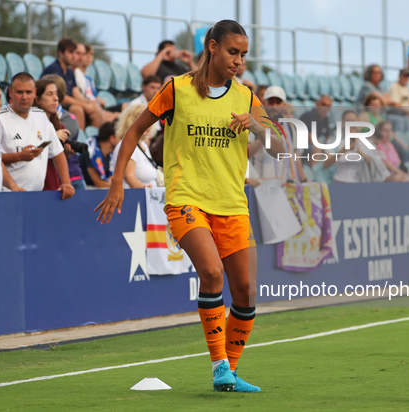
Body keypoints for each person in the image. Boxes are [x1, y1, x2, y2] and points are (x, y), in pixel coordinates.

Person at [96, 19, 284, 393]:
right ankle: (219, 367)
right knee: (212, 274)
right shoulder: (177, 90)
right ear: (212, 47)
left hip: (232, 203)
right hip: (186, 199)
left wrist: (260, 126)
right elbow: (134, 130)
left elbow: (281, 146)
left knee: (245, 291)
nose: (239, 61)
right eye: (233, 52)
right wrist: (116, 181)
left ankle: (229, 370)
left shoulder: (246, 97)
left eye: (244, 55)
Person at [0, 72, 75, 199]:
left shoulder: (41, 116)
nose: (24, 97)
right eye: (19, 92)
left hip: (36, 197)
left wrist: (66, 182)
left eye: (28, 92)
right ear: (10, 93)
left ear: (34, 93)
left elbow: (58, 153)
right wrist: (19, 157)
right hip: (7, 196)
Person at [248, 86, 306, 182]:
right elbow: (247, 153)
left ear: (283, 104)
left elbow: (295, 156)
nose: (274, 106)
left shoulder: (290, 128)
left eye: (278, 102)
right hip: (260, 185)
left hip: (283, 184)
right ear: (265, 103)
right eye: (271, 102)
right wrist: (265, 134)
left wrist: (304, 179)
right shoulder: (254, 123)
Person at [41, 74, 87, 191]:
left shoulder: (67, 120)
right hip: (46, 180)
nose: (55, 98)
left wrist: (64, 152)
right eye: (49, 94)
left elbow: (59, 148)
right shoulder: (34, 122)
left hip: (69, 176)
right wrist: (52, 138)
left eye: (56, 94)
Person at [322, 110, 390, 184]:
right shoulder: (333, 141)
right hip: (339, 184)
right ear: (342, 123)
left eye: (353, 121)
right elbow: (326, 164)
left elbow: (376, 165)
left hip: (361, 185)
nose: (350, 124)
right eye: (347, 121)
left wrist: (361, 153)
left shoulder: (367, 142)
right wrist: (343, 151)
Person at [111, 104, 162, 188]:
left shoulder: (144, 145)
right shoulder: (126, 145)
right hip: (135, 197)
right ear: (131, 123)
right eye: (143, 121)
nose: (148, 124)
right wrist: (144, 189)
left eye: (150, 121)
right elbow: (129, 177)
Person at [81, 121, 120, 188]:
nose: (122, 141)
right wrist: (120, 186)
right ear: (112, 138)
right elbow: (98, 183)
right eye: (120, 137)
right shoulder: (90, 150)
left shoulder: (109, 154)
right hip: (84, 191)